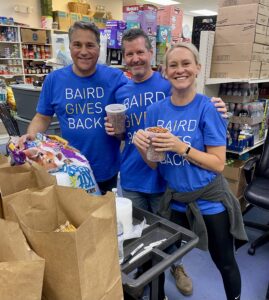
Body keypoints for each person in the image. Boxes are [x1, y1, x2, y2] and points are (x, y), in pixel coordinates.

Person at [105, 28, 228, 297]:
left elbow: (192, 100)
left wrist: (218, 104)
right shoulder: (121, 90)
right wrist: (119, 132)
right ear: (124, 57)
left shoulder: (169, 82)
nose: (136, 58)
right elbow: (125, 130)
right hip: (135, 174)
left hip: (166, 180)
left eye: (140, 51)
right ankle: (142, 272)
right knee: (137, 235)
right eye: (130, 53)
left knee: (169, 236)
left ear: (152, 55)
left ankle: (176, 267)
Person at [133, 42, 248, 300]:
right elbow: (154, 163)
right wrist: (142, 148)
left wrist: (180, 146)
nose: (180, 70)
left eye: (186, 64)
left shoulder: (209, 108)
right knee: (157, 260)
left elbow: (218, 163)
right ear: (164, 71)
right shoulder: (155, 111)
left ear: (197, 68)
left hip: (208, 201)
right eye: (173, 65)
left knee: (225, 262)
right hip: (175, 200)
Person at [17, 21, 128, 194]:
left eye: (90, 45)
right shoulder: (54, 80)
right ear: (70, 47)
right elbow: (42, 117)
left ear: (99, 48)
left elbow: (131, 109)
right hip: (68, 169)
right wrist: (31, 137)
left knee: (105, 217)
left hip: (106, 169)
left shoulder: (116, 78)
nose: (83, 51)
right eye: (77, 45)